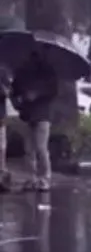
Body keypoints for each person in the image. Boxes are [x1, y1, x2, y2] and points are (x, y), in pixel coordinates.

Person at [10, 57, 58, 192]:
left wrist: (37, 94)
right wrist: (19, 101)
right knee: (28, 149)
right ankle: (31, 178)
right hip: (27, 115)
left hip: (42, 115)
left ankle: (45, 178)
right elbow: (14, 93)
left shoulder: (47, 71)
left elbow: (53, 91)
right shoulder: (21, 73)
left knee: (41, 148)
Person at [0, 62, 12, 192]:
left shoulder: (2, 71)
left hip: (0, 115)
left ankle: (2, 173)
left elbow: (8, 92)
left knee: (1, 147)